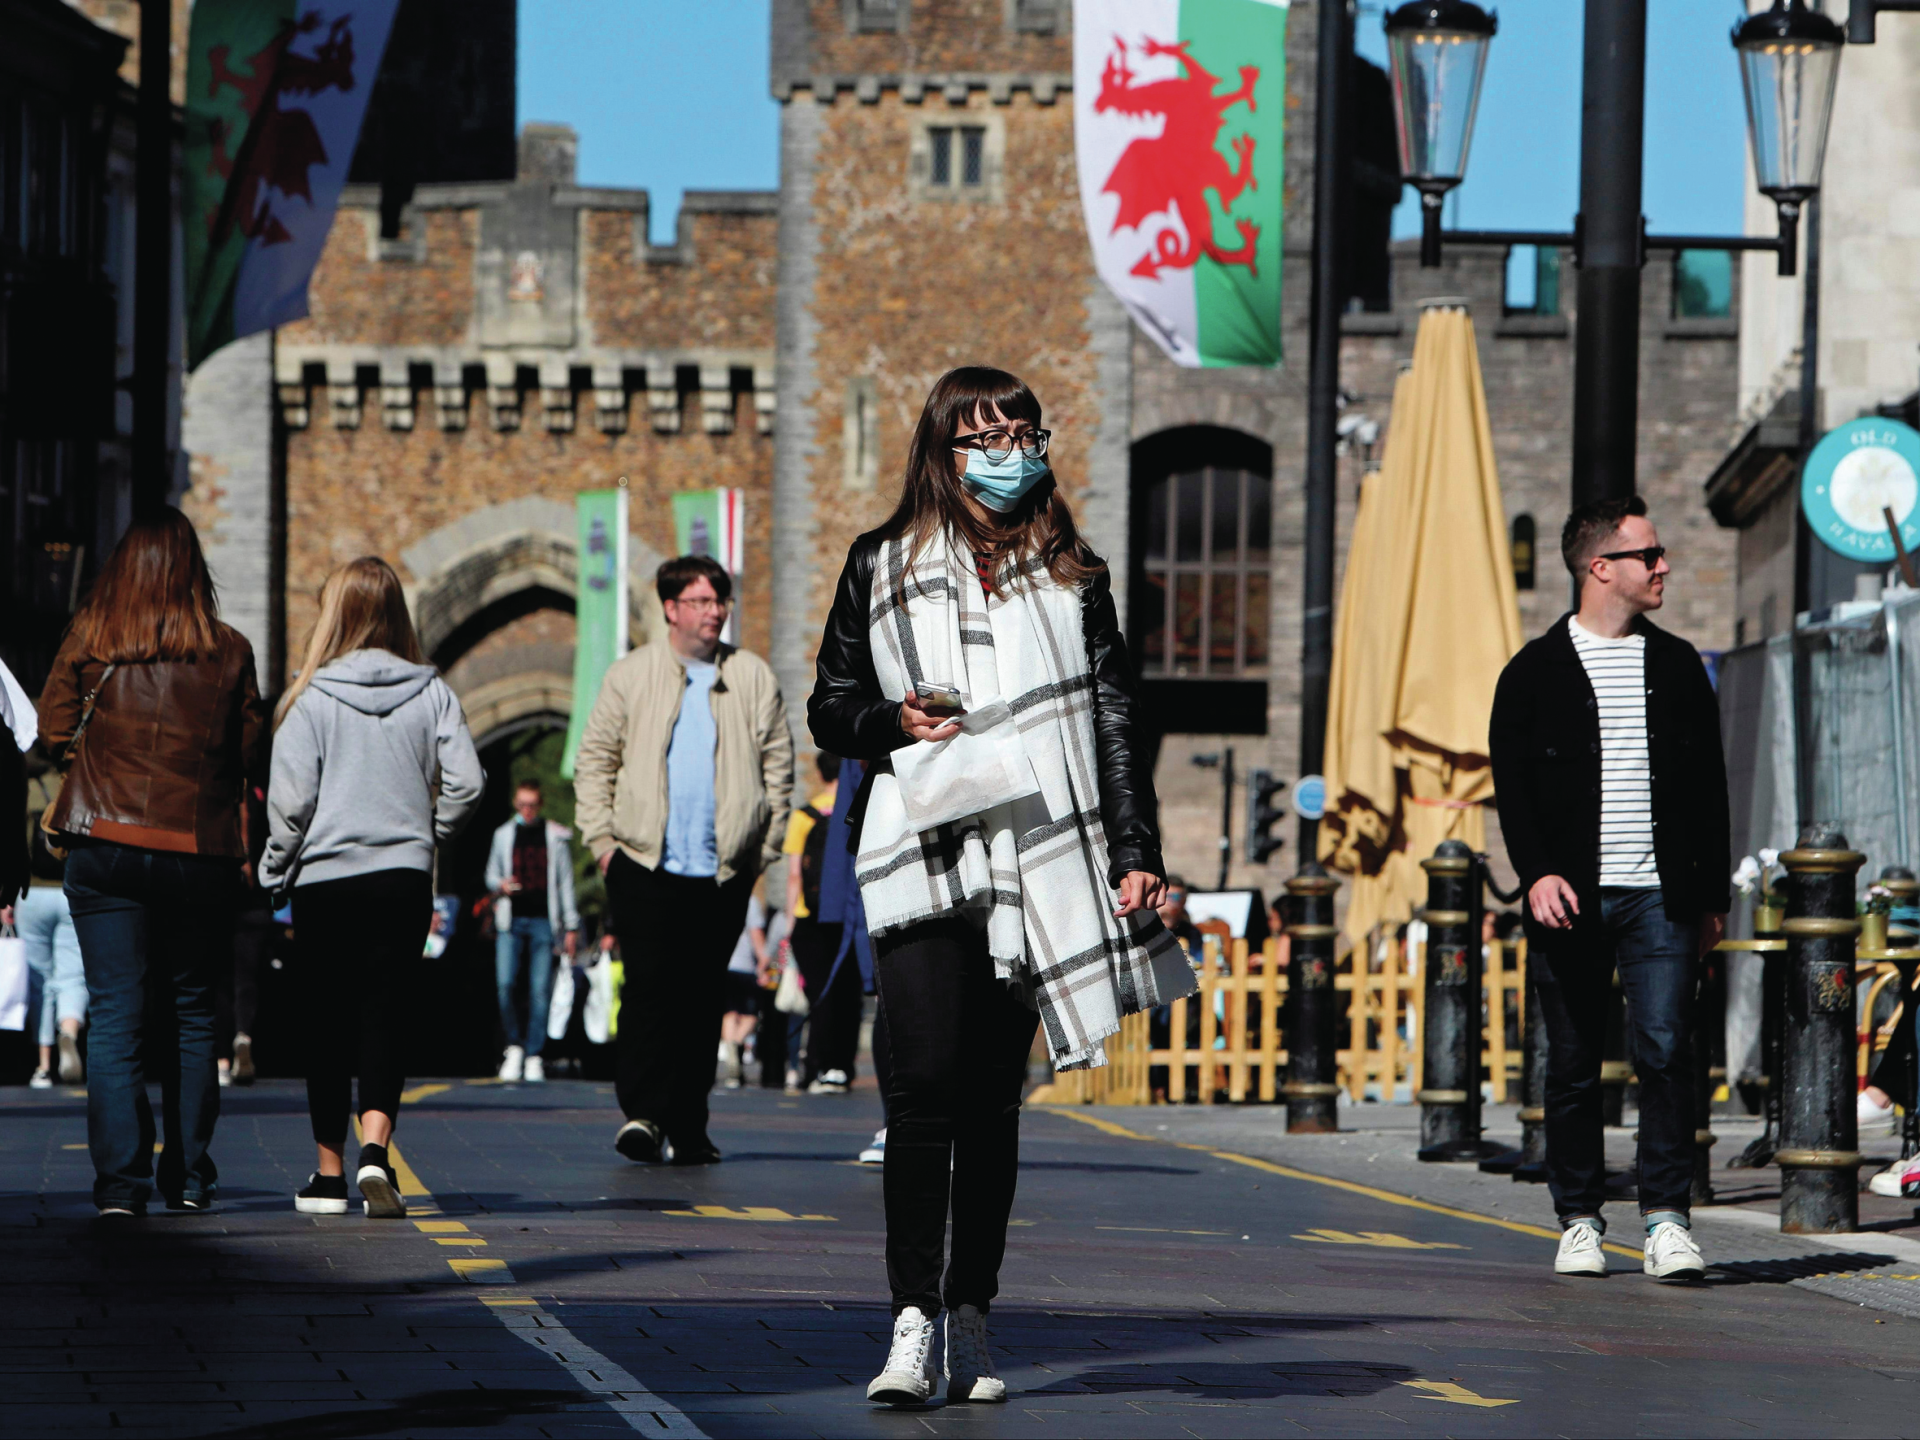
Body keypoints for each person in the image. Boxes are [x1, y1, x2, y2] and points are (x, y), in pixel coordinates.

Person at [809, 366, 1193, 1407]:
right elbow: (830, 705)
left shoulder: (1077, 577)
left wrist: (1134, 845)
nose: (1007, 449)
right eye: (984, 434)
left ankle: (971, 1306)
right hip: (923, 843)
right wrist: (895, 723)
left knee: (990, 1101)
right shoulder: (878, 563)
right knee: (923, 1085)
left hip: (1042, 847)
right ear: (944, 449)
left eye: (1021, 430)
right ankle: (910, 1319)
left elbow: (1115, 718)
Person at [1489, 495, 1730, 1283]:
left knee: (1666, 1050)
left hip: (1663, 896)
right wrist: (1538, 874)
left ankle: (1666, 1218)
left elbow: (1708, 787)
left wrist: (1713, 899)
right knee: (1574, 1062)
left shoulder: (1678, 664)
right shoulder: (1532, 673)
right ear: (1600, 568)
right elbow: (1513, 788)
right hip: (1574, 897)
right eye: (1646, 555)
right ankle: (1581, 1219)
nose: (1662, 566)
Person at [38, 510, 267, 1215]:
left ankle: (121, 1185)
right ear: (194, 572)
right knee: (195, 1014)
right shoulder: (228, 653)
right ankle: (190, 1174)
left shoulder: (92, 637)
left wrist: (97, 757)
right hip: (195, 850)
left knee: (115, 1015)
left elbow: (49, 732)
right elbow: (250, 755)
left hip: (102, 844)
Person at [259, 557, 483, 1218]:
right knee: (386, 1015)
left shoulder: (312, 699)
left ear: (336, 615)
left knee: (325, 1023)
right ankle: (376, 1153)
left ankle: (328, 1177)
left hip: (327, 881)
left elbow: (290, 805)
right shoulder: (432, 692)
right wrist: (425, 831)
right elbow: (468, 782)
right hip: (402, 880)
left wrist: (276, 871)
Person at [574, 554, 794, 1166]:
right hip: (642, 863)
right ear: (670, 609)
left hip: (723, 870)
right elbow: (595, 761)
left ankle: (689, 1123)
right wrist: (603, 845)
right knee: (648, 990)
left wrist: (763, 851)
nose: (714, 611)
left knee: (702, 999)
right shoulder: (631, 675)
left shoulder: (750, 676)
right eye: (700, 601)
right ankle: (643, 1114)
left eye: (719, 600)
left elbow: (780, 767)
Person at [484, 779, 581, 1082]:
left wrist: (571, 925)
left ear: (540, 805)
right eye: (522, 804)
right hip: (510, 920)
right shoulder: (503, 834)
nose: (527, 810)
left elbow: (565, 882)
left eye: (532, 805)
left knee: (540, 991)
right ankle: (514, 1045)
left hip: (543, 920)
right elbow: (490, 874)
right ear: (516, 803)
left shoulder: (554, 836)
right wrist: (500, 885)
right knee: (505, 984)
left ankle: (535, 1053)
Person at [785, 753, 856, 1094]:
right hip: (844, 912)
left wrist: (788, 925)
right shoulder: (855, 807)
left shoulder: (804, 815)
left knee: (818, 993)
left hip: (808, 916)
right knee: (848, 992)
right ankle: (842, 1066)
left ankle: (815, 1065)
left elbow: (794, 874)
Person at [719, 891, 769, 1088]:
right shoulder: (749, 901)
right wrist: (764, 958)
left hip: (723, 965)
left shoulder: (717, 896)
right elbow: (755, 932)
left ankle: (732, 1056)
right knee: (750, 1014)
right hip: (744, 965)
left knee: (729, 1013)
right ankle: (736, 1044)